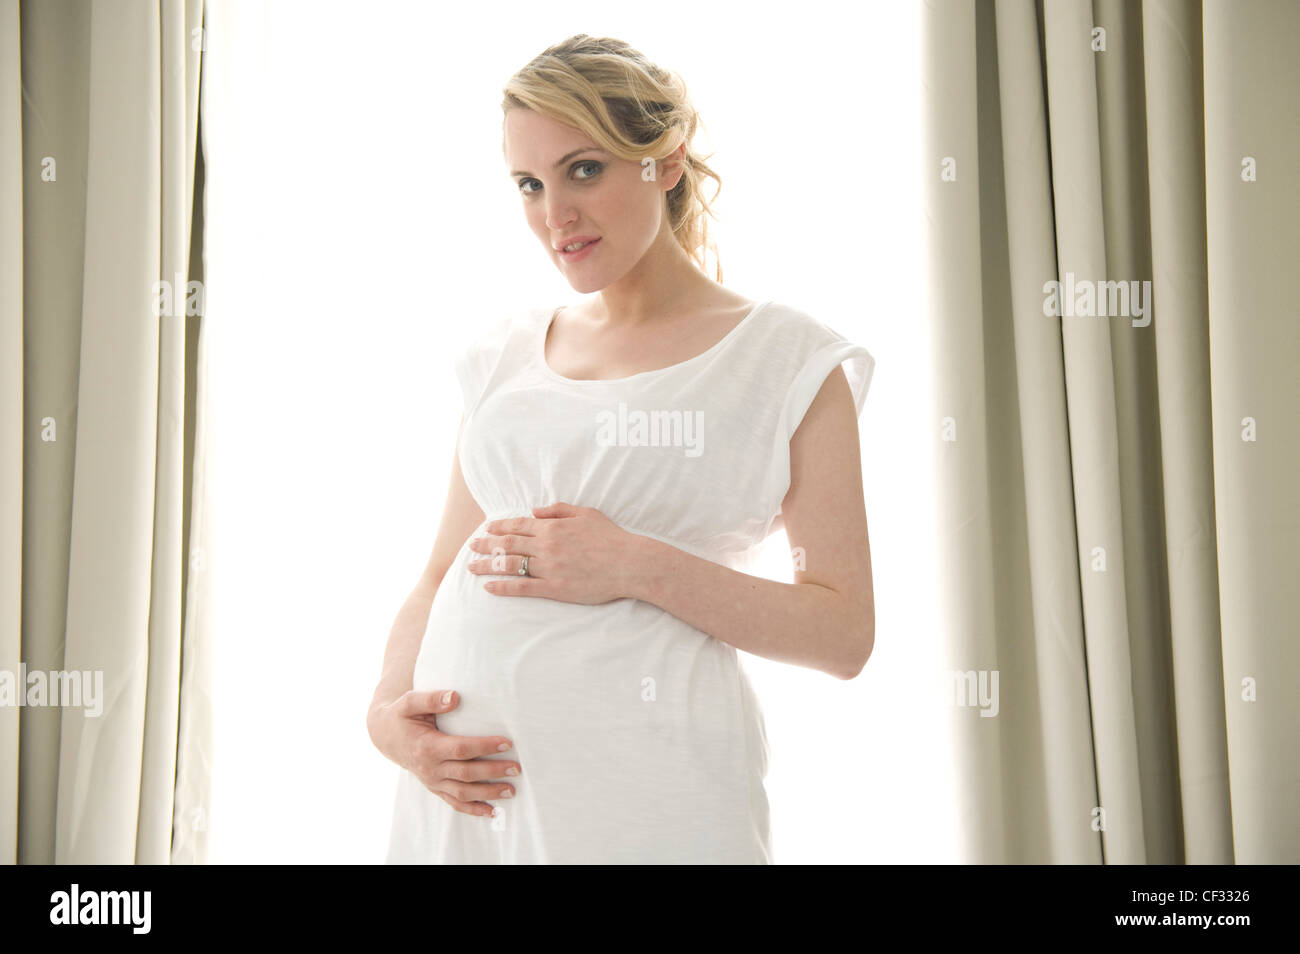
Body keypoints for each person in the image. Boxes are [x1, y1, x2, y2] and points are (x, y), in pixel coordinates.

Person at [368, 34, 876, 864]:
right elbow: (437, 574)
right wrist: (389, 715)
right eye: (529, 184)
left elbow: (843, 632)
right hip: (463, 799)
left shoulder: (785, 359)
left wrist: (635, 564)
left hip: (646, 798)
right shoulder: (505, 355)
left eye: (585, 169)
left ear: (665, 162)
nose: (553, 215)